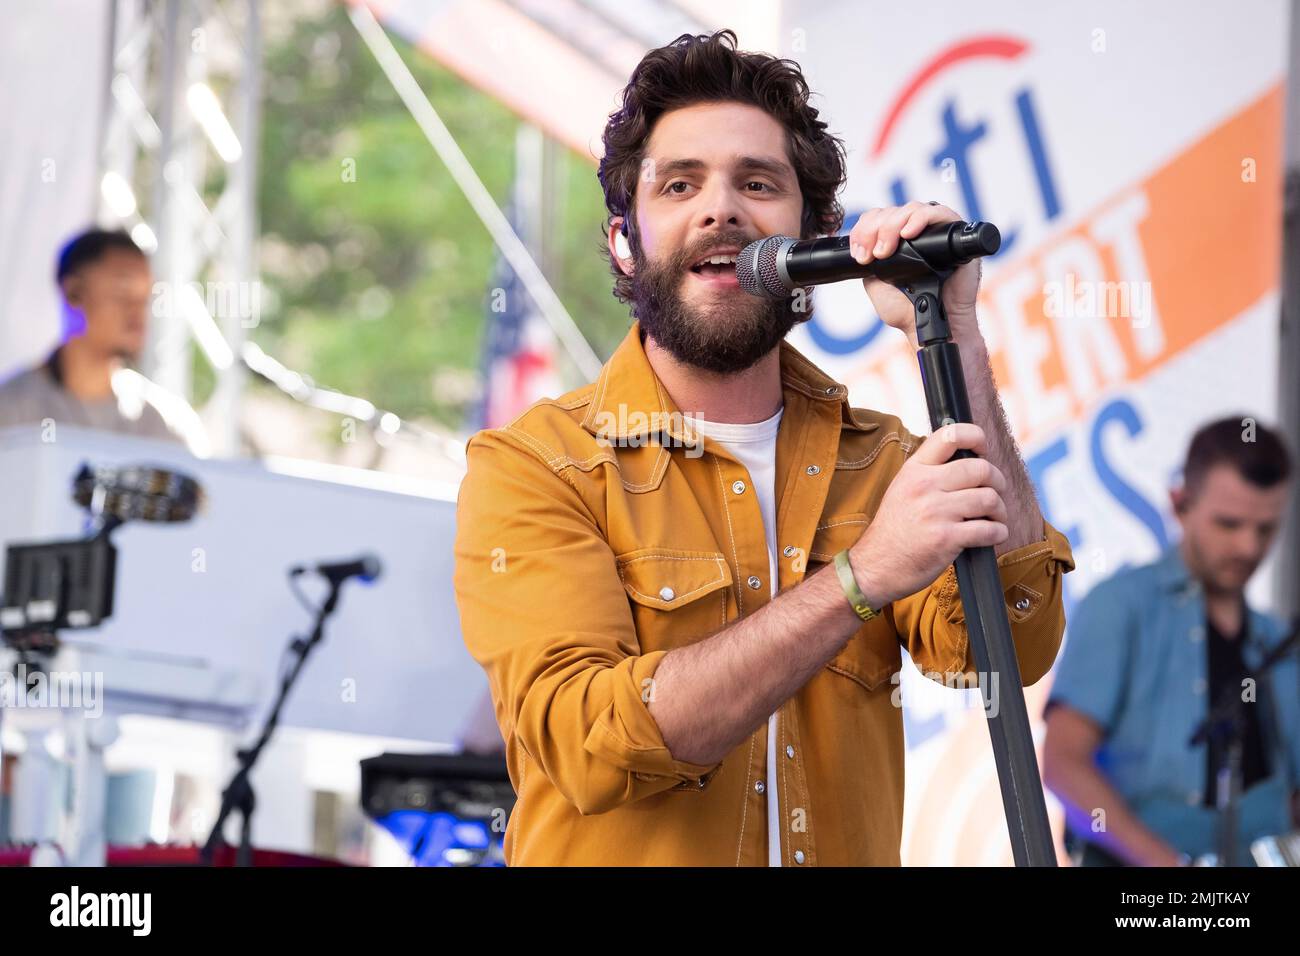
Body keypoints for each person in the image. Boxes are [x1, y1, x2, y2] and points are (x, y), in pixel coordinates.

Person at [453, 31, 1075, 866]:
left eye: (757, 183)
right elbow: (590, 741)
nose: (721, 210)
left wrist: (953, 327)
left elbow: (1008, 650)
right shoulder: (535, 465)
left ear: (815, 236)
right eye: (680, 185)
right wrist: (859, 580)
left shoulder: (883, 463)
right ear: (624, 242)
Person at [1044, 417, 1300, 866]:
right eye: (1228, 524)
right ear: (1179, 503)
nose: (1247, 547)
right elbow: (1064, 764)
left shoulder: (1279, 640)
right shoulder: (1120, 605)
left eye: (1265, 529)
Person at [0, 228, 181, 443]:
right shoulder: (12, 411)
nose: (137, 311)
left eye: (144, 299)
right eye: (123, 292)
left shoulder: (158, 421)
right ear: (74, 292)